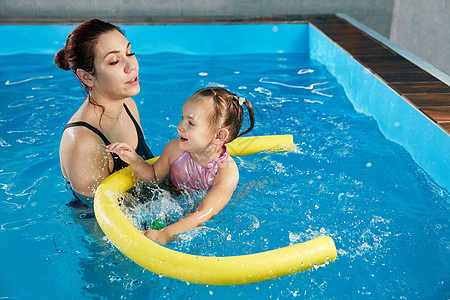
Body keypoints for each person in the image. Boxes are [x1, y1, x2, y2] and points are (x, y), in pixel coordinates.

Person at [107, 87, 255, 244]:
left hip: (200, 219)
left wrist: (165, 234)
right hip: (170, 199)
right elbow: (154, 178)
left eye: (191, 123)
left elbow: (203, 213)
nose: (180, 126)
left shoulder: (226, 173)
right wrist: (135, 160)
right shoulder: (175, 148)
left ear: (219, 136)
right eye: (182, 118)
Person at [56, 19, 153, 206]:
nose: (131, 66)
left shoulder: (129, 106)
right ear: (86, 77)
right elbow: (96, 222)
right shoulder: (83, 143)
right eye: (114, 61)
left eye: (129, 52)